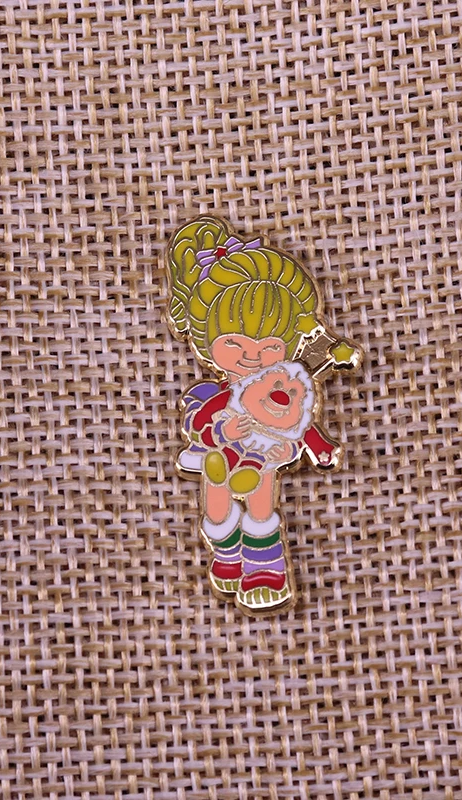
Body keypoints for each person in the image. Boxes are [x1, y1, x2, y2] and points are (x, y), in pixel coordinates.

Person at [167, 216, 345, 612]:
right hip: (222, 450)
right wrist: (222, 430)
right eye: (234, 343)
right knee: (217, 503)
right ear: (205, 340)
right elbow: (198, 423)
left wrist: (319, 449)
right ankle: (227, 555)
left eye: (269, 346)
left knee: (262, 500)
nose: (252, 356)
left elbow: (300, 423)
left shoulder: (286, 385)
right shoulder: (216, 393)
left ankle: (266, 569)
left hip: (264, 454)